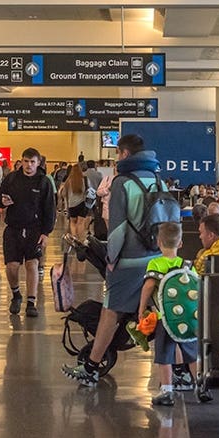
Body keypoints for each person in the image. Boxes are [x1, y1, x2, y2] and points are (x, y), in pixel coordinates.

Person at [63, 134, 162, 386]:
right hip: (156, 257)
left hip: (129, 260)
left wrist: (111, 258)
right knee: (159, 313)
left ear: (124, 154)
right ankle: (176, 371)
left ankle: (92, 366)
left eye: (118, 154)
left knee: (111, 310)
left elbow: (117, 228)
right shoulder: (158, 180)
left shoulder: (123, 182)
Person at [137, 221, 208, 406]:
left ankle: (167, 391)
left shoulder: (155, 263)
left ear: (158, 242)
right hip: (188, 320)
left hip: (164, 320)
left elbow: (149, 286)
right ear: (181, 243)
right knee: (192, 355)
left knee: (164, 355)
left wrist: (141, 308)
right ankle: (201, 387)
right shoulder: (187, 265)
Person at [0, 147, 56, 318]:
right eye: (26, 161)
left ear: (38, 163)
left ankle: (31, 302)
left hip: (34, 230)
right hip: (13, 229)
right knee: (11, 267)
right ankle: (16, 294)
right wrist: (3, 201)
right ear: (21, 161)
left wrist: (46, 233)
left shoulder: (44, 182)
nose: (29, 165)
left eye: (32, 162)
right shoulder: (12, 178)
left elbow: (50, 209)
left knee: (32, 265)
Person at [59, 163, 91, 246]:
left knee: (73, 222)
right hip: (82, 203)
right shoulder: (84, 179)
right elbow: (89, 190)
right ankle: (80, 240)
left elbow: (63, 193)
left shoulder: (68, 181)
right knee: (80, 222)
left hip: (71, 205)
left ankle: (74, 239)